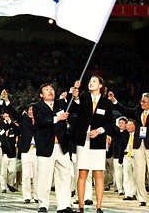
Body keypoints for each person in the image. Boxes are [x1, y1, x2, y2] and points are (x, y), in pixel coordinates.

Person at [108, 83, 149, 206]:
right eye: (141, 100)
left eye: (144, 101)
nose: (141, 102)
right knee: (139, 173)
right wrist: (114, 101)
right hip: (138, 145)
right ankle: (142, 198)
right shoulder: (137, 110)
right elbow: (125, 110)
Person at [70, 76, 114, 213]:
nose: (90, 83)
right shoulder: (83, 97)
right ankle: (81, 206)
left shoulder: (106, 103)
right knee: (82, 173)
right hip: (84, 140)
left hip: (98, 141)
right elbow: (74, 110)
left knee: (98, 173)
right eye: (89, 81)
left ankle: (99, 207)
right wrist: (75, 96)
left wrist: (99, 131)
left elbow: (110, 123)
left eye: (94, 81)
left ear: (101, 85)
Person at [31, 83, 74, 213]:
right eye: (47, 90)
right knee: (44, 177)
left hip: (62, 146)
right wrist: (57, 118)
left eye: (52, 89)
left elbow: (73, 106)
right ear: (41, 94)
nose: (50, 91)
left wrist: (72, 93)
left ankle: (64, 205)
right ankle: (43, 204)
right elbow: (41, 121)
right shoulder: (37, 107)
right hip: (45, 147)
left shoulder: (60, 104)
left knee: (64, 176)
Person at [119, 119, 137, 201]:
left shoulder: (138, 134)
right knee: (126, 176)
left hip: (136, 157)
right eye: (127, 125)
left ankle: (134, 193)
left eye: (130, 125)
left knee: (135, 176)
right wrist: (120, 158)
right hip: (126, 156)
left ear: (134, 126)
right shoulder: (124, 134)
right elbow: (121, 146)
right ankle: (128, 194)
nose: (128, 127)